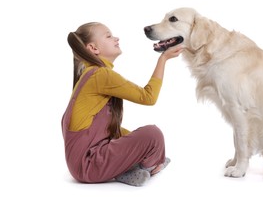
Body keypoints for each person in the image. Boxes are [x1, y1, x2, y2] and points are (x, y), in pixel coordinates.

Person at [62, 22, 183, 186]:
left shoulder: (89, 76)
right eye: (108, 36)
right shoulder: (100, 75)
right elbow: (148, 97)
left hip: (83, 166)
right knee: (153, 135)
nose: (116, 38)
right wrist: (163, 59)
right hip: (90, 165)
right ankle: (137, 167)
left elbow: (106, 132)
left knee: (132, 136)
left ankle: (131, 168)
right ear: (93, 48)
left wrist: (132, 140)